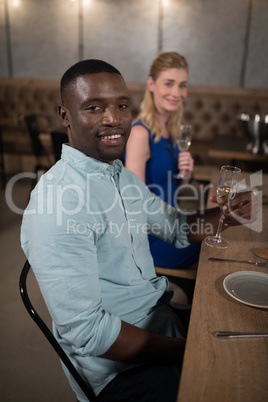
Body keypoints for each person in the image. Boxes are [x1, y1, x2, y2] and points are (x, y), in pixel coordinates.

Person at [20, 59, 258, 402]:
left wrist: (228, 215)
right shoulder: (57, 204)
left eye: (121, 105)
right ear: (65, 116)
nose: (113, 118)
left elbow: (176, 228)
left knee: (250, 333)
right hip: (122, 370)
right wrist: (188, 351)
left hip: (161, 322)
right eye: (94, 107)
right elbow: (90, 334)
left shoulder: (122, 177)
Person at [125, 51, 201, 271]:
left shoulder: (172, 131)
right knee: (213, 241)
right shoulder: (140, 133)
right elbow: (135, 202)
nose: (177, 92)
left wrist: (185, 177)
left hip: (171, 225)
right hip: (151, 240)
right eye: (169, 83)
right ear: (151, 84)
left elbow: (171, 190)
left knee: (218, 232)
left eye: (182, 85)